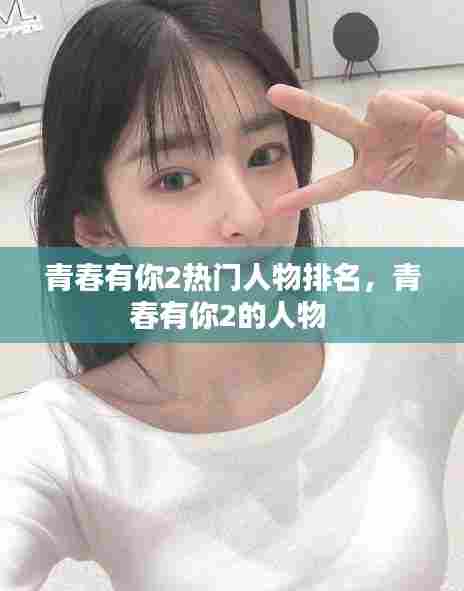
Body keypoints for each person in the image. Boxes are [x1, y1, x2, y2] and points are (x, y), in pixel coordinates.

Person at [1, 0, 464, 589]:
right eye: (174, 179)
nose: (247, 217)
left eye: (264, 155)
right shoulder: (63, 443)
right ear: (96, 227)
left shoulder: (397, 342)